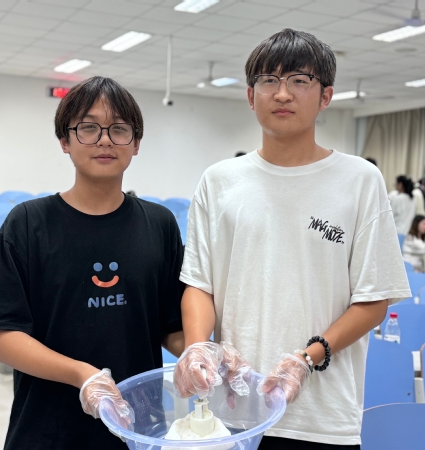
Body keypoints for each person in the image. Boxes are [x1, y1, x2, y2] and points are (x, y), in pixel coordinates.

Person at [173, 29, 410, 449]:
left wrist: (305, 359)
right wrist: (196, 348)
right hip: (232, 410)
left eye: (300, 80)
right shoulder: (219, 181)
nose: (282, 93)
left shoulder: (359, 180)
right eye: (269, 80)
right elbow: (199, 284)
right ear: (251, 96)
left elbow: (374, 300)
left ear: (325, 96)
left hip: (322, 416)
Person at [0, 77, 185, 450]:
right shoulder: (29, 222)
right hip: (47, 430)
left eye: (119, 129)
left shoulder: (159, 224)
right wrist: (83, 375)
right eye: (88, 128)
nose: (105, 140)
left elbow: (170, 326)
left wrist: (204, 354)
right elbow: (0, 335)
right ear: (65, 140)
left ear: (136, 143)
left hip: (137, 430)